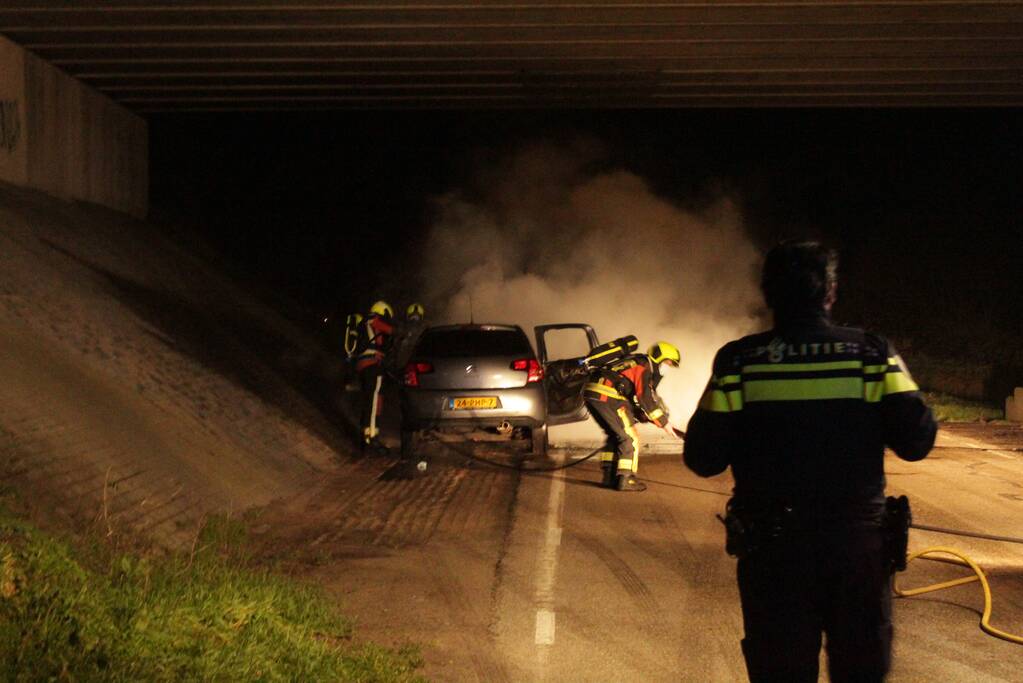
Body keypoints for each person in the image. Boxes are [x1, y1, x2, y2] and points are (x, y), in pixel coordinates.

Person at [683, 240, 937, 682]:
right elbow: (917, 441)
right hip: (856, 553)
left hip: (774, 556)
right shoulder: (871, 355)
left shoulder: (740, 361)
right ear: (830, 293)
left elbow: (703, 458)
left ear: (767, 294)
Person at [583, 341, 681, 491]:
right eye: (668, 363)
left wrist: (648, 416)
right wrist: (664, 423)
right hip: (608, 395)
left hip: (592, 393)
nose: (668, 367)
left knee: (615, 435)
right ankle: (626, 478)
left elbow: (635, 398)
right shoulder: (644, 367)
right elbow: (645, 399)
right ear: (659, 358)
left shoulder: (634, 361)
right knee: (630, 437)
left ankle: (609, 476)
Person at [356, 300, 395, 449]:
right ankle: (371, 438)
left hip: (363, 365)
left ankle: (367, 434)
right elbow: (390, 330)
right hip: (372, 365)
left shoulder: (364, 323)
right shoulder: (373, 319)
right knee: (373, 400)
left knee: (372, 400)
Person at [394, 302, 426, 369]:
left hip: (417, 364)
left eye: (417, 317)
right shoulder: (401, 328)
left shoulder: (425, 329)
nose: (414, 320)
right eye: (412, 317)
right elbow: (395, 344)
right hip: (402, 365)